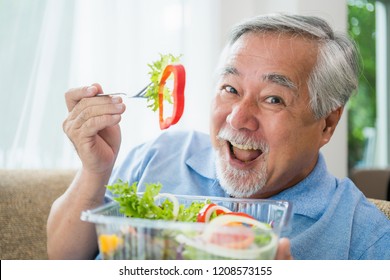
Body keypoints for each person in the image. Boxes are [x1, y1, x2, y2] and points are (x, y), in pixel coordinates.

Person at [47, 13, 390, 260]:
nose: (239, 117)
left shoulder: (364, 236)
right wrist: (94, 172)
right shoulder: (160, 154)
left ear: (327, 124)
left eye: (273, 98)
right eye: (230, 88)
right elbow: (62, 260)